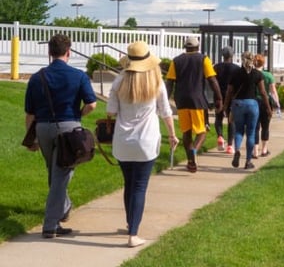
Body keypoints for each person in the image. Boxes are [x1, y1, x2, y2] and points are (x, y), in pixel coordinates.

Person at [24, 33, 98, 238]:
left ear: (49, 52)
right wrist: (79, 115)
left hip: (43, 128)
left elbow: (30, 112)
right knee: (61, 175)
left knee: (54, 172)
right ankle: (50, 224)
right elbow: (92, 104)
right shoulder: (79, 76)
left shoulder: (37, 77)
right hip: (69, 128)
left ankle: (63, 209)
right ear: (69, 52)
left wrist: (31, 138)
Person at [107, 41, 179, 247]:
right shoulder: (156, 82)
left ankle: (131, 223)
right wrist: (172, 135)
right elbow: (166, 112)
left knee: (129, 184)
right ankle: (133, 233)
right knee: (139, 186)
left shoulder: (119, 81)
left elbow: (111, 112)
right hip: (146, 141)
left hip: (122, 140)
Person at [165, 36, 222, 173]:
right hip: (197, 100)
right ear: (198, 46)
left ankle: (191, 161)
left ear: (185, 47)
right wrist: (219, 98)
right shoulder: (203, 59)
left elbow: (170, 82)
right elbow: (212, 80)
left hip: (181, 100)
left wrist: (165, 100)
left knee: (186, 131)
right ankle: (193, 151)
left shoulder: (176, 61)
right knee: (202, 131)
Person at [223, 51, 271, 170]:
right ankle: (248, 161)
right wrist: (268, 108)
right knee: (251, 132)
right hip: (252, 104)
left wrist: (225, 107)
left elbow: (229, 91)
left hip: (238, 104)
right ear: (253, 60)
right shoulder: (257, 74)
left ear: (241, 59)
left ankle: (237, 150)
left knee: (239, 131)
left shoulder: (235, 73)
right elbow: (263, 92)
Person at [213, 46, 239, 154]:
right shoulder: (236, 68)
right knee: (231, 120)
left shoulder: (216, 67)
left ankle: (220, 136)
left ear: (222, 55)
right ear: (232, 55)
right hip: (232, 96)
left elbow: (212, 81)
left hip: (219, 95)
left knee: (218, 117)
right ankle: (229, 145)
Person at [254, 53, 280, 158]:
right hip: (265, 103)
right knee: (265, 127)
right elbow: (273, 91)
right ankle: (264, 149)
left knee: (255, 127)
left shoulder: (251, 74)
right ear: (263, 63)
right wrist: (277, 103)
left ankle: (255, 150)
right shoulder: (268, 75)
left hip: (254, 101)